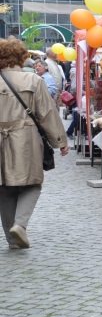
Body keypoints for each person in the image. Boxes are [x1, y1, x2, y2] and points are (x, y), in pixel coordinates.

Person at [0, 38, 69, 249]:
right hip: (25, 139)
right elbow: (47, 113)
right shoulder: (33, 81)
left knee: (4, 188)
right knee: (32, 183)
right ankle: (20, 225)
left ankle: (13, 240)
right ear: (22, 57)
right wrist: (60, 141)